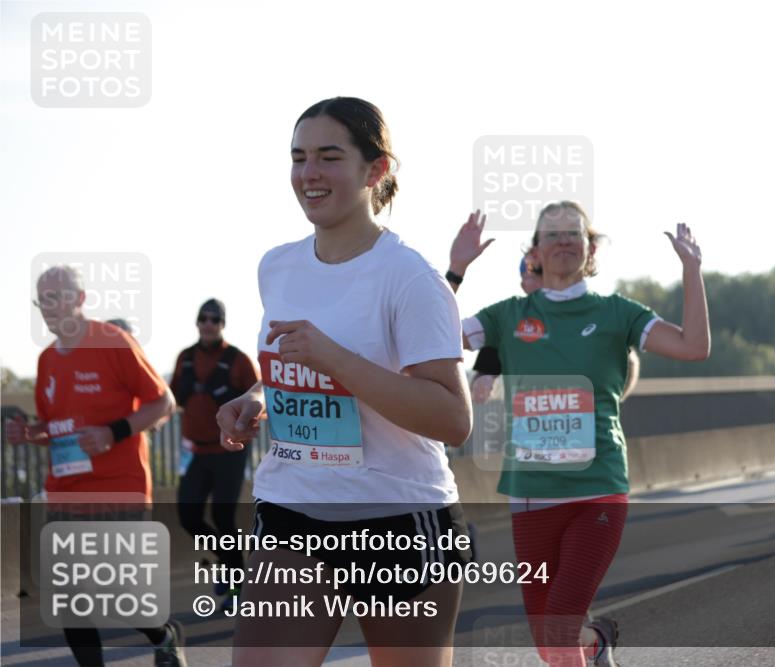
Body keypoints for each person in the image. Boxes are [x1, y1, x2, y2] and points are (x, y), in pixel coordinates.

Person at [215, 96, 472, 667]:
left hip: (397, 519)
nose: (309, 173)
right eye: (298, 157)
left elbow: (452, 419)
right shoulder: (276, 266)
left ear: (374, 170)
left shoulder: (412, 278)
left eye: (329, 157)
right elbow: (290, 365)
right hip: (291, 508)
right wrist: (257, 397)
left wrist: (338, 362)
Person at [455, 203, 710, 667]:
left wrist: (691, 270)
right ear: (535, 250)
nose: (564, 241)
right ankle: (596, 641)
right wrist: (455, 271)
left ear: (590, 248)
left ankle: (584, 639)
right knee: (550, 644)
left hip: (598, 488)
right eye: (552, 234)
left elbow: (694, 347)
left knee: (558, 630)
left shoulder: (617, 313)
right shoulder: (507, 315)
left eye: (574, 232)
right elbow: (430, 338)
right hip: (531, 494)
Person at [4, 265, 186, 667]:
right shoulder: (48, 359)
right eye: (43, 300)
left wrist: (113, 432)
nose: (50, 307)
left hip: (121, 485)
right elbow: (56, 427)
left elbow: (164, 403)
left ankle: (164, 634)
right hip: (67, 489)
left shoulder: (113, 343)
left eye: (58, 297)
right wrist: (30, 434)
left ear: (80, 299)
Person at [447, 222, 640, 405]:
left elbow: (628, 364)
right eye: (530, 274)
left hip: (586, 432)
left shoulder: (595, 314)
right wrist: (483, 381)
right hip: (530, 433)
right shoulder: (508, 321)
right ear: (523, 284)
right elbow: (441, 336)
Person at [170, 298, 259, 607]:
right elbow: (175, 397)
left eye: (215, 319)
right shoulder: (185, 358)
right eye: (203, 318)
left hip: (229, 451)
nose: (208, 323)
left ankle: (236, 588)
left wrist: (243, 425)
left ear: (222, 325)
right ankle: (232, 564)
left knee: (223, 516)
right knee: (188, 515)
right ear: (197, 322)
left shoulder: (238, 360)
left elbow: (258, 398)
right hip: (196, 451)